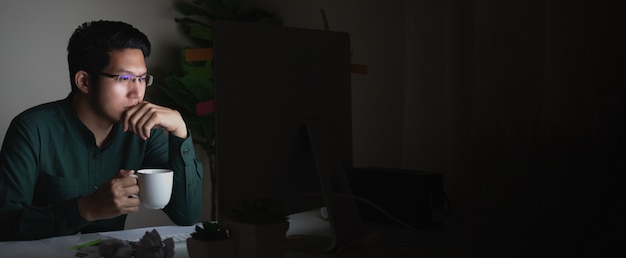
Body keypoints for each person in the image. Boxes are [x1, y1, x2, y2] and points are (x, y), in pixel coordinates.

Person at [0, 20, 203, 241]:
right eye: (124, 78)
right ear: (84, 81)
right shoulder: (32, 129)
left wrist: (179, 130)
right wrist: (85, 209)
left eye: (142, 79)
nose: (137, 92)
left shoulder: (145, 132)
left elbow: (186, 215)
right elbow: (5, 224)